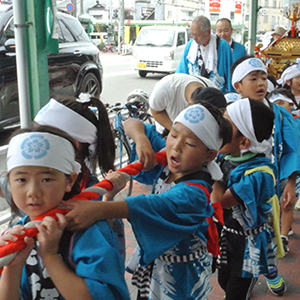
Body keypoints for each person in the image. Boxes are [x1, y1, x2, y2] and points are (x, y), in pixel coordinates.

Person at [61, 102, 233, 299]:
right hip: (159, 266)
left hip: (183, 274)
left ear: (209, 154)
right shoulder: (170, 161)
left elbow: (152, 205)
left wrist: (98, 209)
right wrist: (141, 139)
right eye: (173, 135)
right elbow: (131, 122)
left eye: (190, 144)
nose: (176, 146)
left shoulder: (195, 193)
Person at [0, 125, 130, 300]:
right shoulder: (18, 232)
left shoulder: (88, 232)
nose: (33, 191)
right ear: (9, 183)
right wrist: (13, 267)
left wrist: (50, 255)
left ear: (70, 181)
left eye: (46, 179)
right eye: (21, 179)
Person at [230, 55, 300, 294]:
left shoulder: (279, 114)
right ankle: (241, 277)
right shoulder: (229, 113)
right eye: (253, 78)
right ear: (237, 85)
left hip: (267, 187)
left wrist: (290, 183)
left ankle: (268, 273)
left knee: (264, 232)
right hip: (236, 185)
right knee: (238, 235)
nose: (261, 83)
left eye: (263, 77)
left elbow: (292, 148)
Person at [33, 96, 126, 260]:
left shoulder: (93, 205)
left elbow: (109, 264)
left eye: (41, 138)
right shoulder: (30, 182)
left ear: (74, 145)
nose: (31, 193)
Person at [212, 98, 284, 299]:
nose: (218, 129)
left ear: (244, 142)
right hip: (228, 234)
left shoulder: (257, 174)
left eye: (225, 125)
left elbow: (220, 201)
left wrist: (207, 166)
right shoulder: (227, 158)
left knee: (236, 293)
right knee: (224, 281)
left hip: (248, 245)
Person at [176, 15, 234, 93]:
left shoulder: (223, 46)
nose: (194, 38)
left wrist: (232, 95)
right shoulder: (190, 45)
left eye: (197, 35)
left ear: (208, 32)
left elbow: (230, 74)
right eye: (192, 34)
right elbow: (181, 72)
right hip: (194, 94)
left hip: (217, 95)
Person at [149, 73, 216, 135]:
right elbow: (156, 112)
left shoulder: (215, 94)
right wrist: (176, 131)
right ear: (189, 104)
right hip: (167, 127)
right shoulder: (165, 88)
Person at [267, 89, 300, 213]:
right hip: (273, 171)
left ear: (291, 104)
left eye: (281, 103)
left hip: (290, 171)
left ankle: (285, 232)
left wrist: (291, 182)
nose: (277, 107)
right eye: (274, 104)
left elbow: (293, 150)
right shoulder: (267, 124)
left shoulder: (295, 123)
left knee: (287, 205)